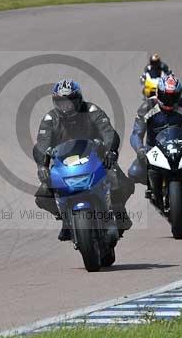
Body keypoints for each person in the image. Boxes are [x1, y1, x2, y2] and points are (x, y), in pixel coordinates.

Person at [33, 79, 134, 242]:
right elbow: (41, 144)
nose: (66, 106)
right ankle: (66, 220)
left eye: (70, 101)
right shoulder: (50, 119)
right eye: (61, 102)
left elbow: (108, 132)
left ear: (78, 99)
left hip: (97, 159)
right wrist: (41, 165)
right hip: (64, 165)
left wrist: (111, 151)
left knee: (120, 183)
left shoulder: (92, 110)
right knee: (42, 195)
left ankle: (119, 212)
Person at [128, 74, 182, 200]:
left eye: (173, 97)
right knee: (134, 171)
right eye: (165, 96)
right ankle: (152, 187)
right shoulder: (146, 108)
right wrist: (140, 149)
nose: (169, 101)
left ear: (179, 95)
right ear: (158, 93)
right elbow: (136, 134)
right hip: (154, 149)